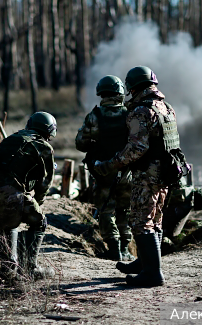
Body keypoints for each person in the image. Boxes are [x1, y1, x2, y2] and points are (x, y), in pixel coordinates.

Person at [93, 66, 189, 287]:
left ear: (132, 87)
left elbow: (137, 148)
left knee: (139, 221)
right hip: (166, 172)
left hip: (148, 174)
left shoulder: (141, 111)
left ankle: (152, 274)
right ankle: (146, 263)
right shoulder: (166, 107)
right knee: (154, 219)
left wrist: (111, 164)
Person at [0, 112, 57, 281]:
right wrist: (38, 201)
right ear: (49, 131)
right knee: (39, 222)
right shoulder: (43, 146)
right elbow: (46, 182)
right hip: (12, 195)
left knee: (6, 224)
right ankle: (30, 268)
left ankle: (8, 269)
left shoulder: (11, 139)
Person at [75, 75, 134, 262]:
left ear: (102, 93)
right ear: (120, 93)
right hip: (127, 171)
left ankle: (114, 248)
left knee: (106, 210)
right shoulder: (131, 114)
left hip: (103, 171)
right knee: (125, 210)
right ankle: (125, 248)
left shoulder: (95, 116)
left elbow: (81, 144)